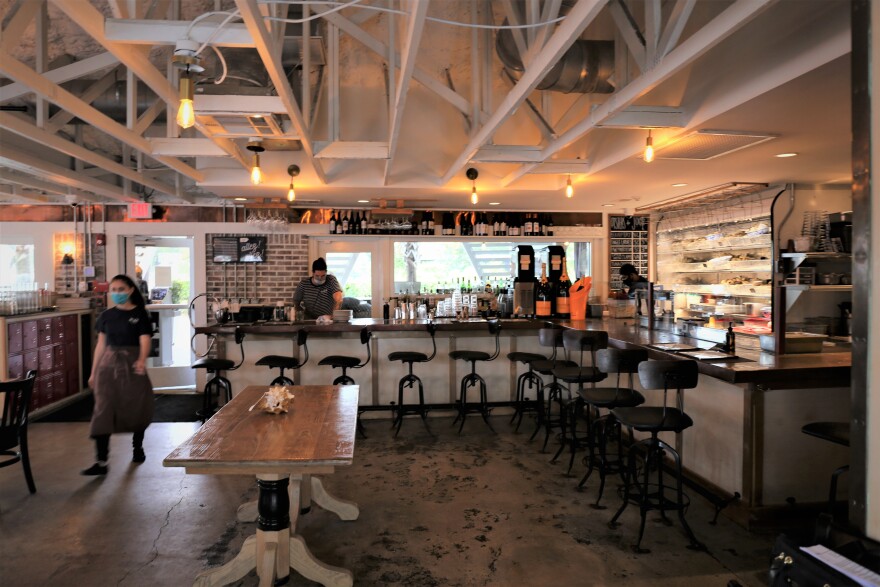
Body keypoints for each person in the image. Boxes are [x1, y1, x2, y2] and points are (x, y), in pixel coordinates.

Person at [81, 274, 154, 475]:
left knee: (137, 404)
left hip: (132, 364)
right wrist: (93, 372)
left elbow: (145, 340)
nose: (116, 293)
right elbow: (101, 345)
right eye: (113, 290)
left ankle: (137, 447)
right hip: (108, 365)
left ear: (130, 290)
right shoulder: (106, 316)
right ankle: (101, 461)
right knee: (102, 410)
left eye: (121, 289)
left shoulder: (140, 314)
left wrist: (141, 359)